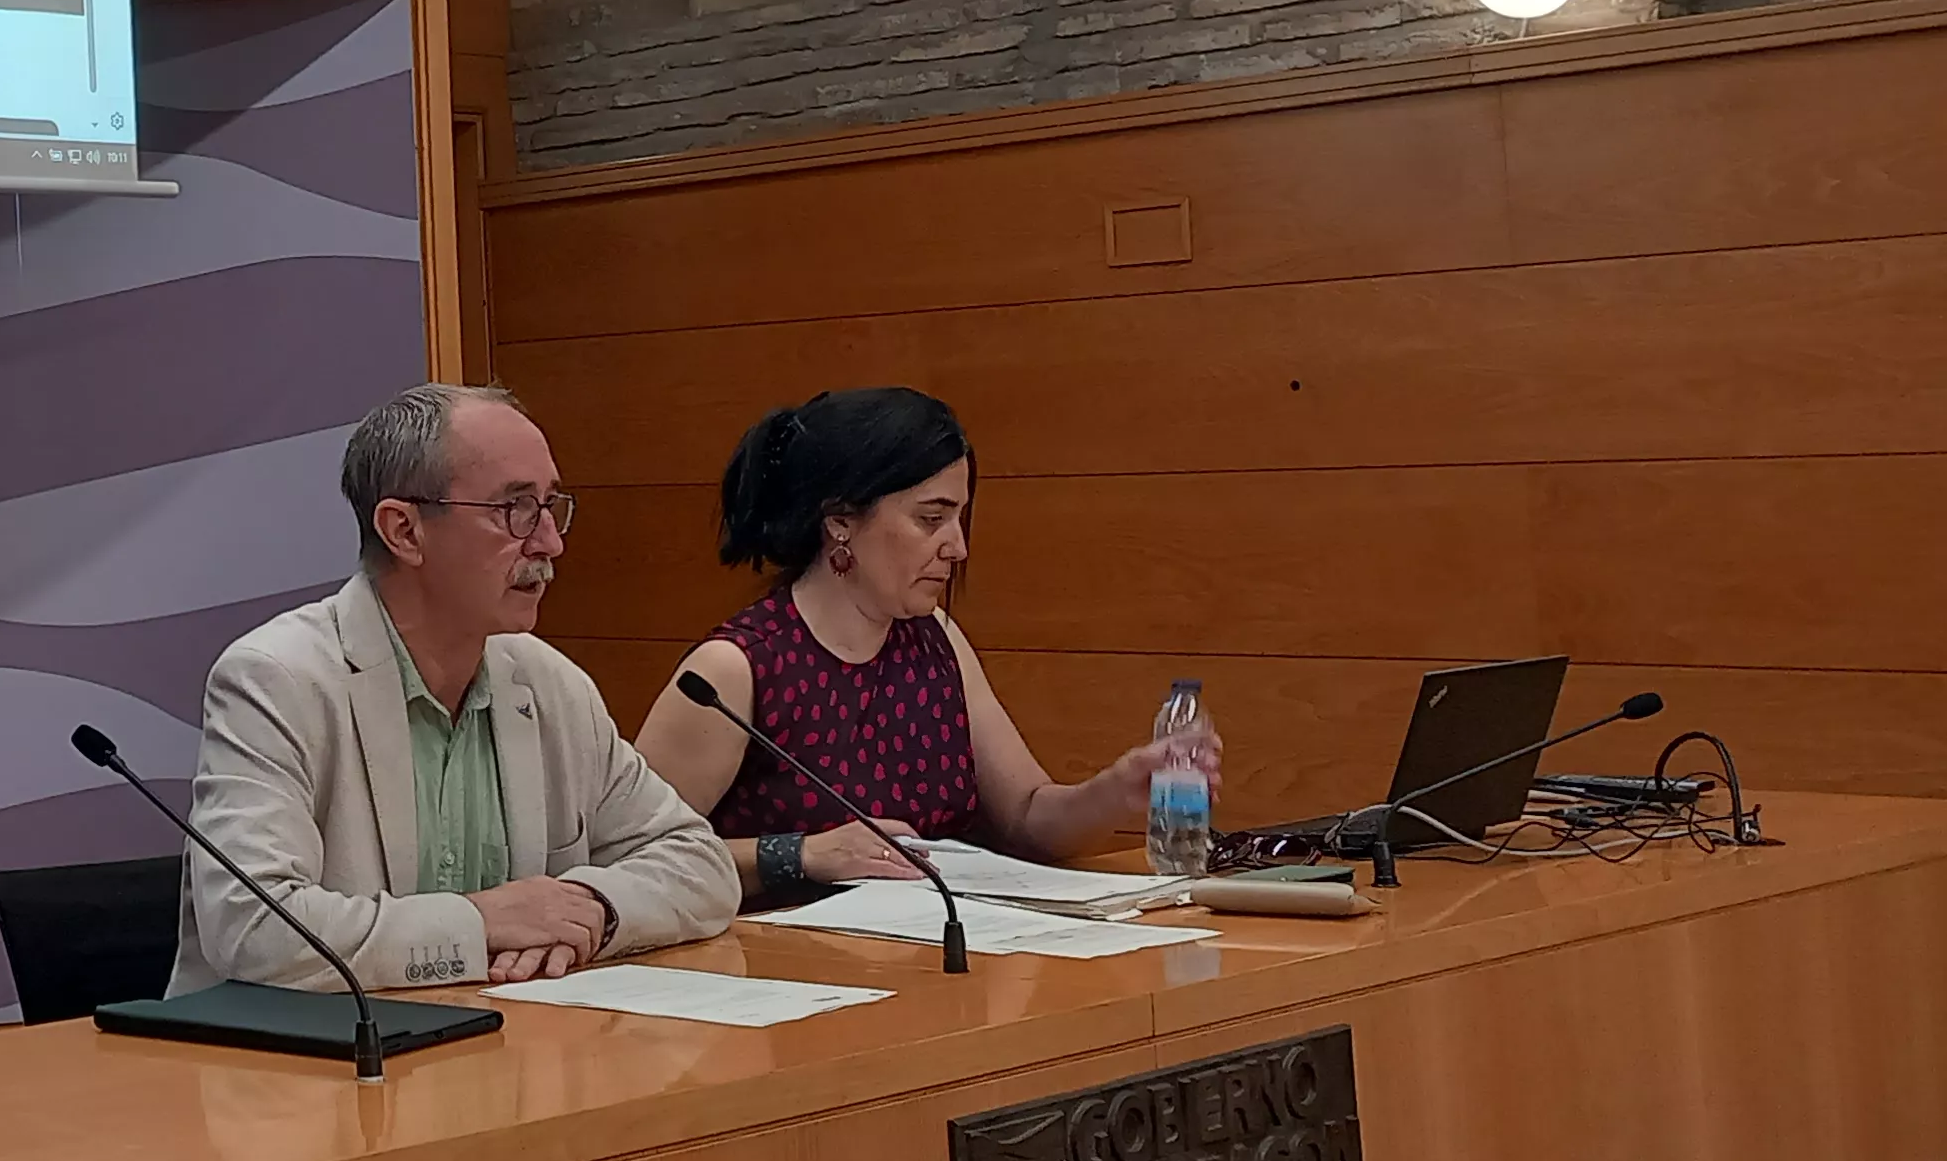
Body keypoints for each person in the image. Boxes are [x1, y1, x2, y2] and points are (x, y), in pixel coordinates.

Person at [169, 382, 737, 994]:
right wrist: (482, 923)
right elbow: (254, 929)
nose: (550, 542)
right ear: (404, 531)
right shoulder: (275, 680)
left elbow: (699, 863)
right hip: (296, 1048)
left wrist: (589, 907)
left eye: (551, 505)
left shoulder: (549, 683)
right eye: (515, 508)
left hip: (506, 1036)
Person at [630, 386, 1222, 904]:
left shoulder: (934, 636)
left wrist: (1116, 791)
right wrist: (800, 855)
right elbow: (630, 857)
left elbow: (1026, 819)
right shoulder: (733, 669)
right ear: (840, 520)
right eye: (930, 519)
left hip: (938, 952)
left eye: (959, 518)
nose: (957, 548)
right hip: (776, 968)